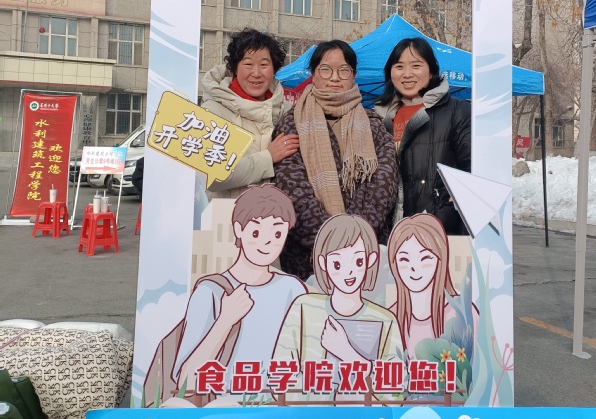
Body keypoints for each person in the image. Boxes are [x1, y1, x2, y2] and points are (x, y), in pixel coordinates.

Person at [142, 184, 306, 405]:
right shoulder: (210, 291)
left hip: (279, 409)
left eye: (277, 233)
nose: (267, 242)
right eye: (256, 232)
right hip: (223, 410)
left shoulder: (293, 290)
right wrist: (225, 320)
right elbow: (186, 381)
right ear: (238, 229)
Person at [273, 39, 398, 280]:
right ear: (313, 74)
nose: (335, 77)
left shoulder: (372, 123)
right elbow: (292, 187)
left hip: (364, 254)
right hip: (309, 257)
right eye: (325, 69)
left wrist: (355, 238)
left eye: (344, 70)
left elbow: (384, 182)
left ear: (353, 75)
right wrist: (329, 242)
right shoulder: (292, 122)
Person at [273, 214, 403, 403]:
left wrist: (348, 353)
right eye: (337, 263)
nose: (348, 271)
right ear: (323, 263)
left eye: (358, 262)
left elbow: (395, 395)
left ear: (371, 260)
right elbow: (280, 380)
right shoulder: (303, 308)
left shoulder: (385, 320)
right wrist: (331, 398)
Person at [374, 37, 471, 233]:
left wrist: (445, 214)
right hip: (387, 233)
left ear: (431, 70)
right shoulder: (378, 117)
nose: (407, 74)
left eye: (416, 65)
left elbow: (472, 172)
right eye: (399, 66)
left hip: (437, 230)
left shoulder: (458, 111)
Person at [200, 28, 299, 199]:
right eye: (248, 64)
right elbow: (212, 175)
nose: (256, 73)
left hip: (276, 214)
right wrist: (268, 158)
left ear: (274, 69)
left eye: (264, 65)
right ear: (235, 68)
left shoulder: (287, 111)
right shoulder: (213, 111)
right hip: (227, 213)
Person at [387, 213, 460, 357]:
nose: (414, 268)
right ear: (394, 264)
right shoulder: (390, 317)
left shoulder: (461, 312)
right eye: (404, 259)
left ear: (440, 259)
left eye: (425, 257)